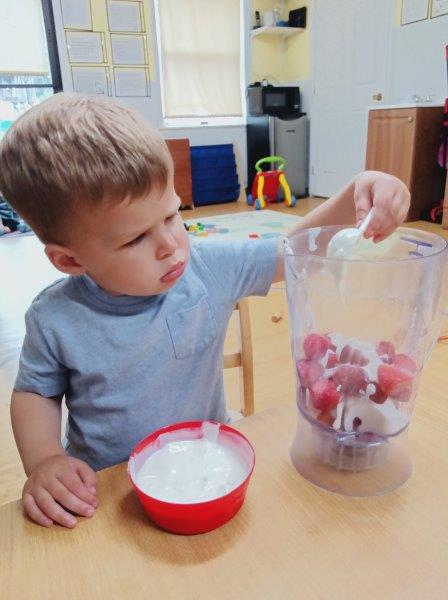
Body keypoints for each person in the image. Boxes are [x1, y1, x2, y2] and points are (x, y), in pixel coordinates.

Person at [0, 93, 410, 529]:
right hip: (108, 491)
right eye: (136, 238)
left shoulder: (206, 267)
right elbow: (35, 394)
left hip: (210, 470)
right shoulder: (55, 317)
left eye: (172, 215)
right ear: (70, 260)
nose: (170, 245)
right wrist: (45, 460)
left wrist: (360, 190)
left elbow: (294, 252)